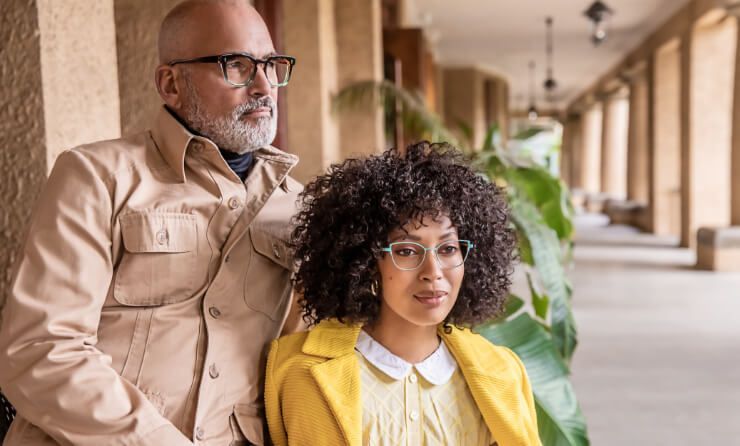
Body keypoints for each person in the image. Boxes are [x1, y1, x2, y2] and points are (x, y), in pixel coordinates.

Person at [0, 1, 302, 444]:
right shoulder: (96, 177)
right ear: (171, 84)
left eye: (271, 65)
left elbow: (306, 363)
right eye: (235, 65)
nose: (263, 85)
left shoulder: (298, 208)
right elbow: (40, 351)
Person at [265, 142, 542, 446]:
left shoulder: (502, 373)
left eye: (448, 248)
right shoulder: (298, 372)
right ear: (368, 262)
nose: (433, 271)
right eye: (407, 250)